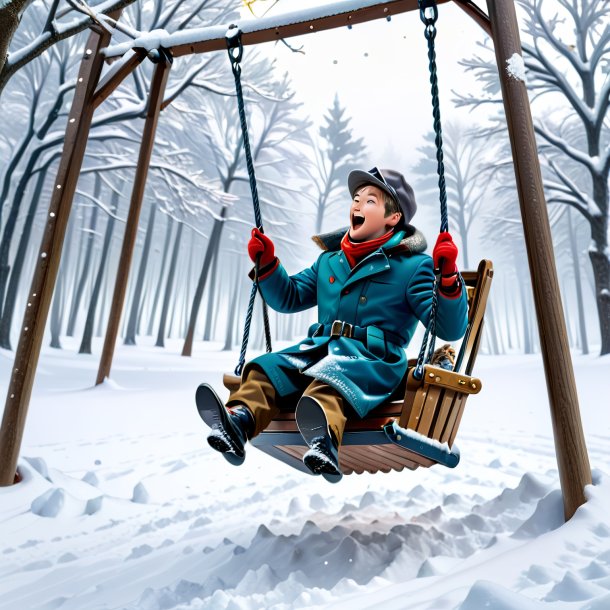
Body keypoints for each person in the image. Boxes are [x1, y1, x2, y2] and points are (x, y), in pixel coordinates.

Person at [196, 167, 468, 483]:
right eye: (355, 199)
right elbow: (290, 297)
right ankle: (238, 422)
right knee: (268, 368)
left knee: (331, 379)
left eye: (369, 201)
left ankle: (323, 441)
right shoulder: (330, 260)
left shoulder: (413, 266)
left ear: (392, 218)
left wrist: (447, 279)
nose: (356, 206)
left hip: (372, 362)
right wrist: (268, 265)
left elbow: (447, 327)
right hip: (316, 352)